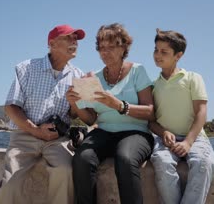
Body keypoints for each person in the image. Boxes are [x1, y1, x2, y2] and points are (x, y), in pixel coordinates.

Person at [0, 24, 85, 204]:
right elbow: (11, 107)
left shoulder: (78, 75)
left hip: (58, 140)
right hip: (24, 136)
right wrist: (36, 131)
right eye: (68, 37)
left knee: (65, 172)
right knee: (9, 183)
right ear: (51, 43)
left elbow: (76, 115)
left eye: (76, 38)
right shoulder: (26, 68)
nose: (74, 41)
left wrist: (75, 103)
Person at [66, 23, 155, 204]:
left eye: (111, 47)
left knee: (126, 158)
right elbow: (90, 118)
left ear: (123, 48)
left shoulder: (138, 71)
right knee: (82, 158)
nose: (105, 52)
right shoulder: (93, 77)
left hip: (136, 132)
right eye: (101, 48)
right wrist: (74, 104)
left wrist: (119, 105)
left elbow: (150, 112)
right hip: (103, 131)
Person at [149, 28, 214, 204]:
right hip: (165, 139)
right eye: (156, 49)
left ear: (178, 55)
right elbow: (151, 122)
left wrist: (188, 142)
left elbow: (201, 112)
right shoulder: (153, 86)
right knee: (161, 161)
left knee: (205, 163)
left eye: (164, 52)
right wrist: (163, 132)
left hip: (195, 137)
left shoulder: (193, 78)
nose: (158, 55)